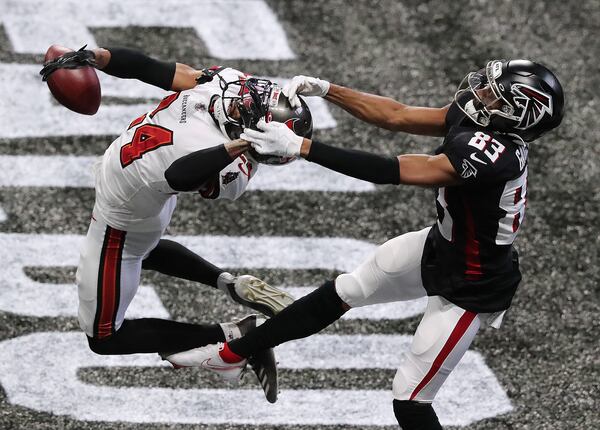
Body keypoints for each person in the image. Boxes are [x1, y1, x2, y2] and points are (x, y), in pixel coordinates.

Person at [162, 59, 565, 428]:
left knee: (410, 400)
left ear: (519, 114)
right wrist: (328, 90)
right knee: (343, 290)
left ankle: (235, 355)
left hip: (473, 283)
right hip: (440, 247)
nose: (480, 94)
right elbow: (397, 115)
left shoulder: (496, 155)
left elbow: (394, 170)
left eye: (494, 94)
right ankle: (232, 357)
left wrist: (302, 147)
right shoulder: (482, 124)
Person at [39, 46, 313, 403]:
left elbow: (180, 174)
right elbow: (152, 67)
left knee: (104, 338)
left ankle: (235, 334)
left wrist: (238, 142)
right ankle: (229, 283)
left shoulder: (225, 84)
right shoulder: (227, 107)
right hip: (140, 201)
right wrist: (100, 58)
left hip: (125, 215)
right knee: (142, 251)